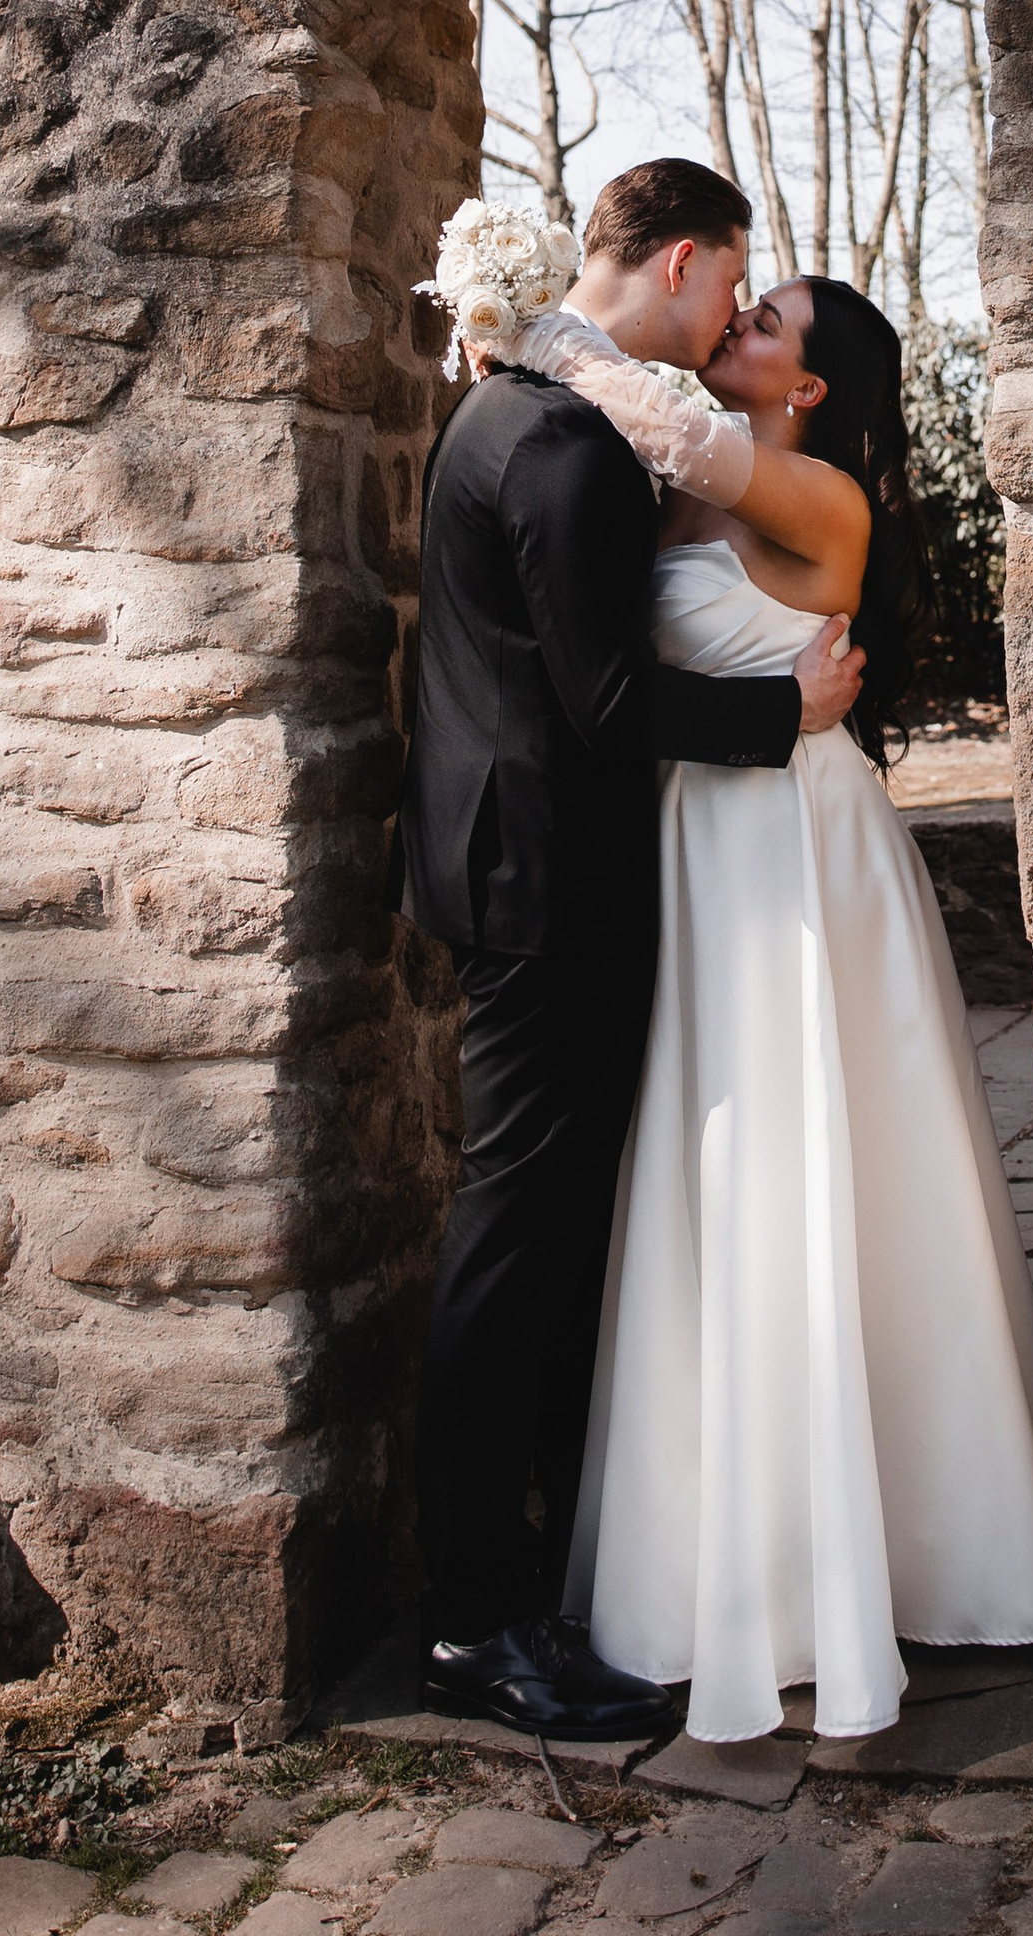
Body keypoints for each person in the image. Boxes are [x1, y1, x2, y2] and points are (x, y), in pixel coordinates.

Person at [525, 270, 1033, 1745]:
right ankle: (737, 1559)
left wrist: (531, 324)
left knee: (826, 1173)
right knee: (716, 1179)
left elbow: (651, 420)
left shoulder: (813, 498)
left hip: (797, 852)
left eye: (767, 323)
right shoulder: (683, 487)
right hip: (700, 843)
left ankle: (913, 1552)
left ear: (810, 390)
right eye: (741, 308)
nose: (738, 330)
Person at [392, 159, 867, 1742]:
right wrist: (776, 714)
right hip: (548, 888)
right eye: (729, 286)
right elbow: (602, 704)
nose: (735, 310)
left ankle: (521, 1574)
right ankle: (476, 1619)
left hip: (510, 869)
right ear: (677, 266)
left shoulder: (506, 409)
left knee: (530, 1237)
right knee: (516, 1244)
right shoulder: (568, 448)